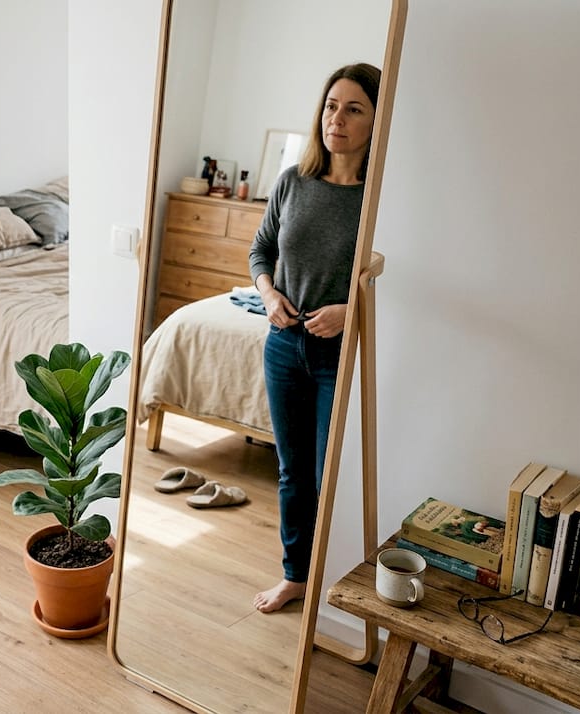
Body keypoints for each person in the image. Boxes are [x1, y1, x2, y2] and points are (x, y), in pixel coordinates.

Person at [249, 63, 381, 613]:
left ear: (377, 120)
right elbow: (261, 250)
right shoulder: (292, 182)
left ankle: (337, 579)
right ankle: (296, 574)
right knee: (292, 471)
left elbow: (396, 279)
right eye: (331, 105)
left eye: (354, 109)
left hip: (337, 355)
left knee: (330, 474)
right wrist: (268, 293)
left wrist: (349, 314)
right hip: (284, 346)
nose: (338, 119)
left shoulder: (379, 199)